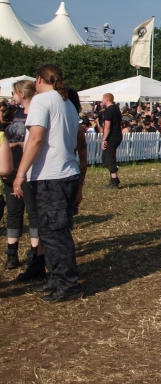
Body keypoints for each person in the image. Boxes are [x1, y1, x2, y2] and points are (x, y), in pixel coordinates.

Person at [12, 65, 83, 302]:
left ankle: (67, 283)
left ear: (39, 79)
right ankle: (55, 278)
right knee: (50, 230)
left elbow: (36, 138)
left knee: (53, 232)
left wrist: (20, 173)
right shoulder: (68, 104)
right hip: (66, 172)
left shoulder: (43, 101)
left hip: (51, 175)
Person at [3, 80, 42, 275]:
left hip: (27, 170)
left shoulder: (37, 112)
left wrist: (17, 145)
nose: (11, 97)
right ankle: (12, 253)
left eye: (14, 93)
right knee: (14, 211)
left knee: (32, 212)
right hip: (10, 169)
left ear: (22, 93)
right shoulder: (14, 113)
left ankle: (35, 253)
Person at [100, 92, 123, 189]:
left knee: (109, 157)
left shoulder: (109, 110)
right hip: (118, 134)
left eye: (102, 99)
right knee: (106, 157)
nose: (102, 101)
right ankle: (114, 178)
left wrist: (104, 139)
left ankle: (114, 182)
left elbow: (107, 126)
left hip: (112, 136)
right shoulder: (117, 109)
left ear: (106, 100)